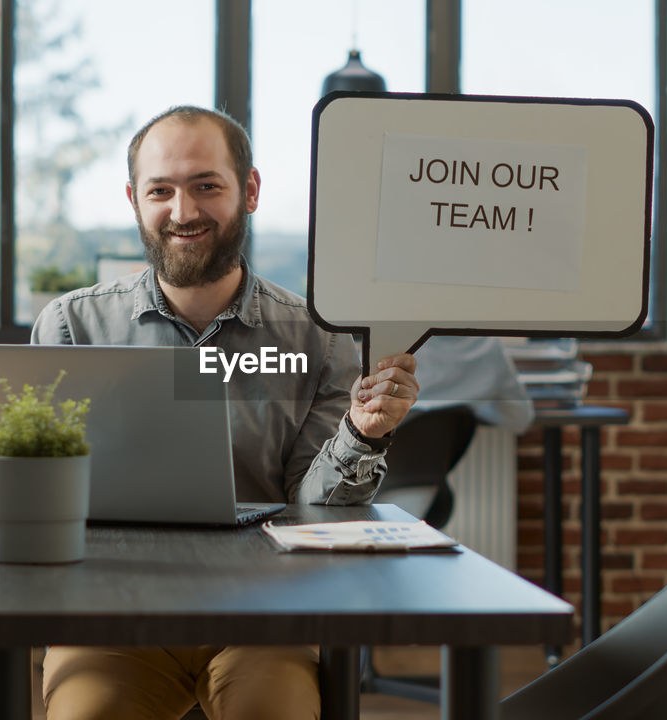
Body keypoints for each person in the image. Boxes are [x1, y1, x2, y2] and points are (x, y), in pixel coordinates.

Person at [31, 105, 419, 720]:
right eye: (161, 190)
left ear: (251, 191)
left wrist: (362, 435)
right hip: (115, 618)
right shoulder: (72, 326)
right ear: (135, 200)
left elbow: (313, 509)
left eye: (206, 186)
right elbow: (42, 499)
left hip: (262, 620)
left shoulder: (318, 339)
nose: (183, 212)